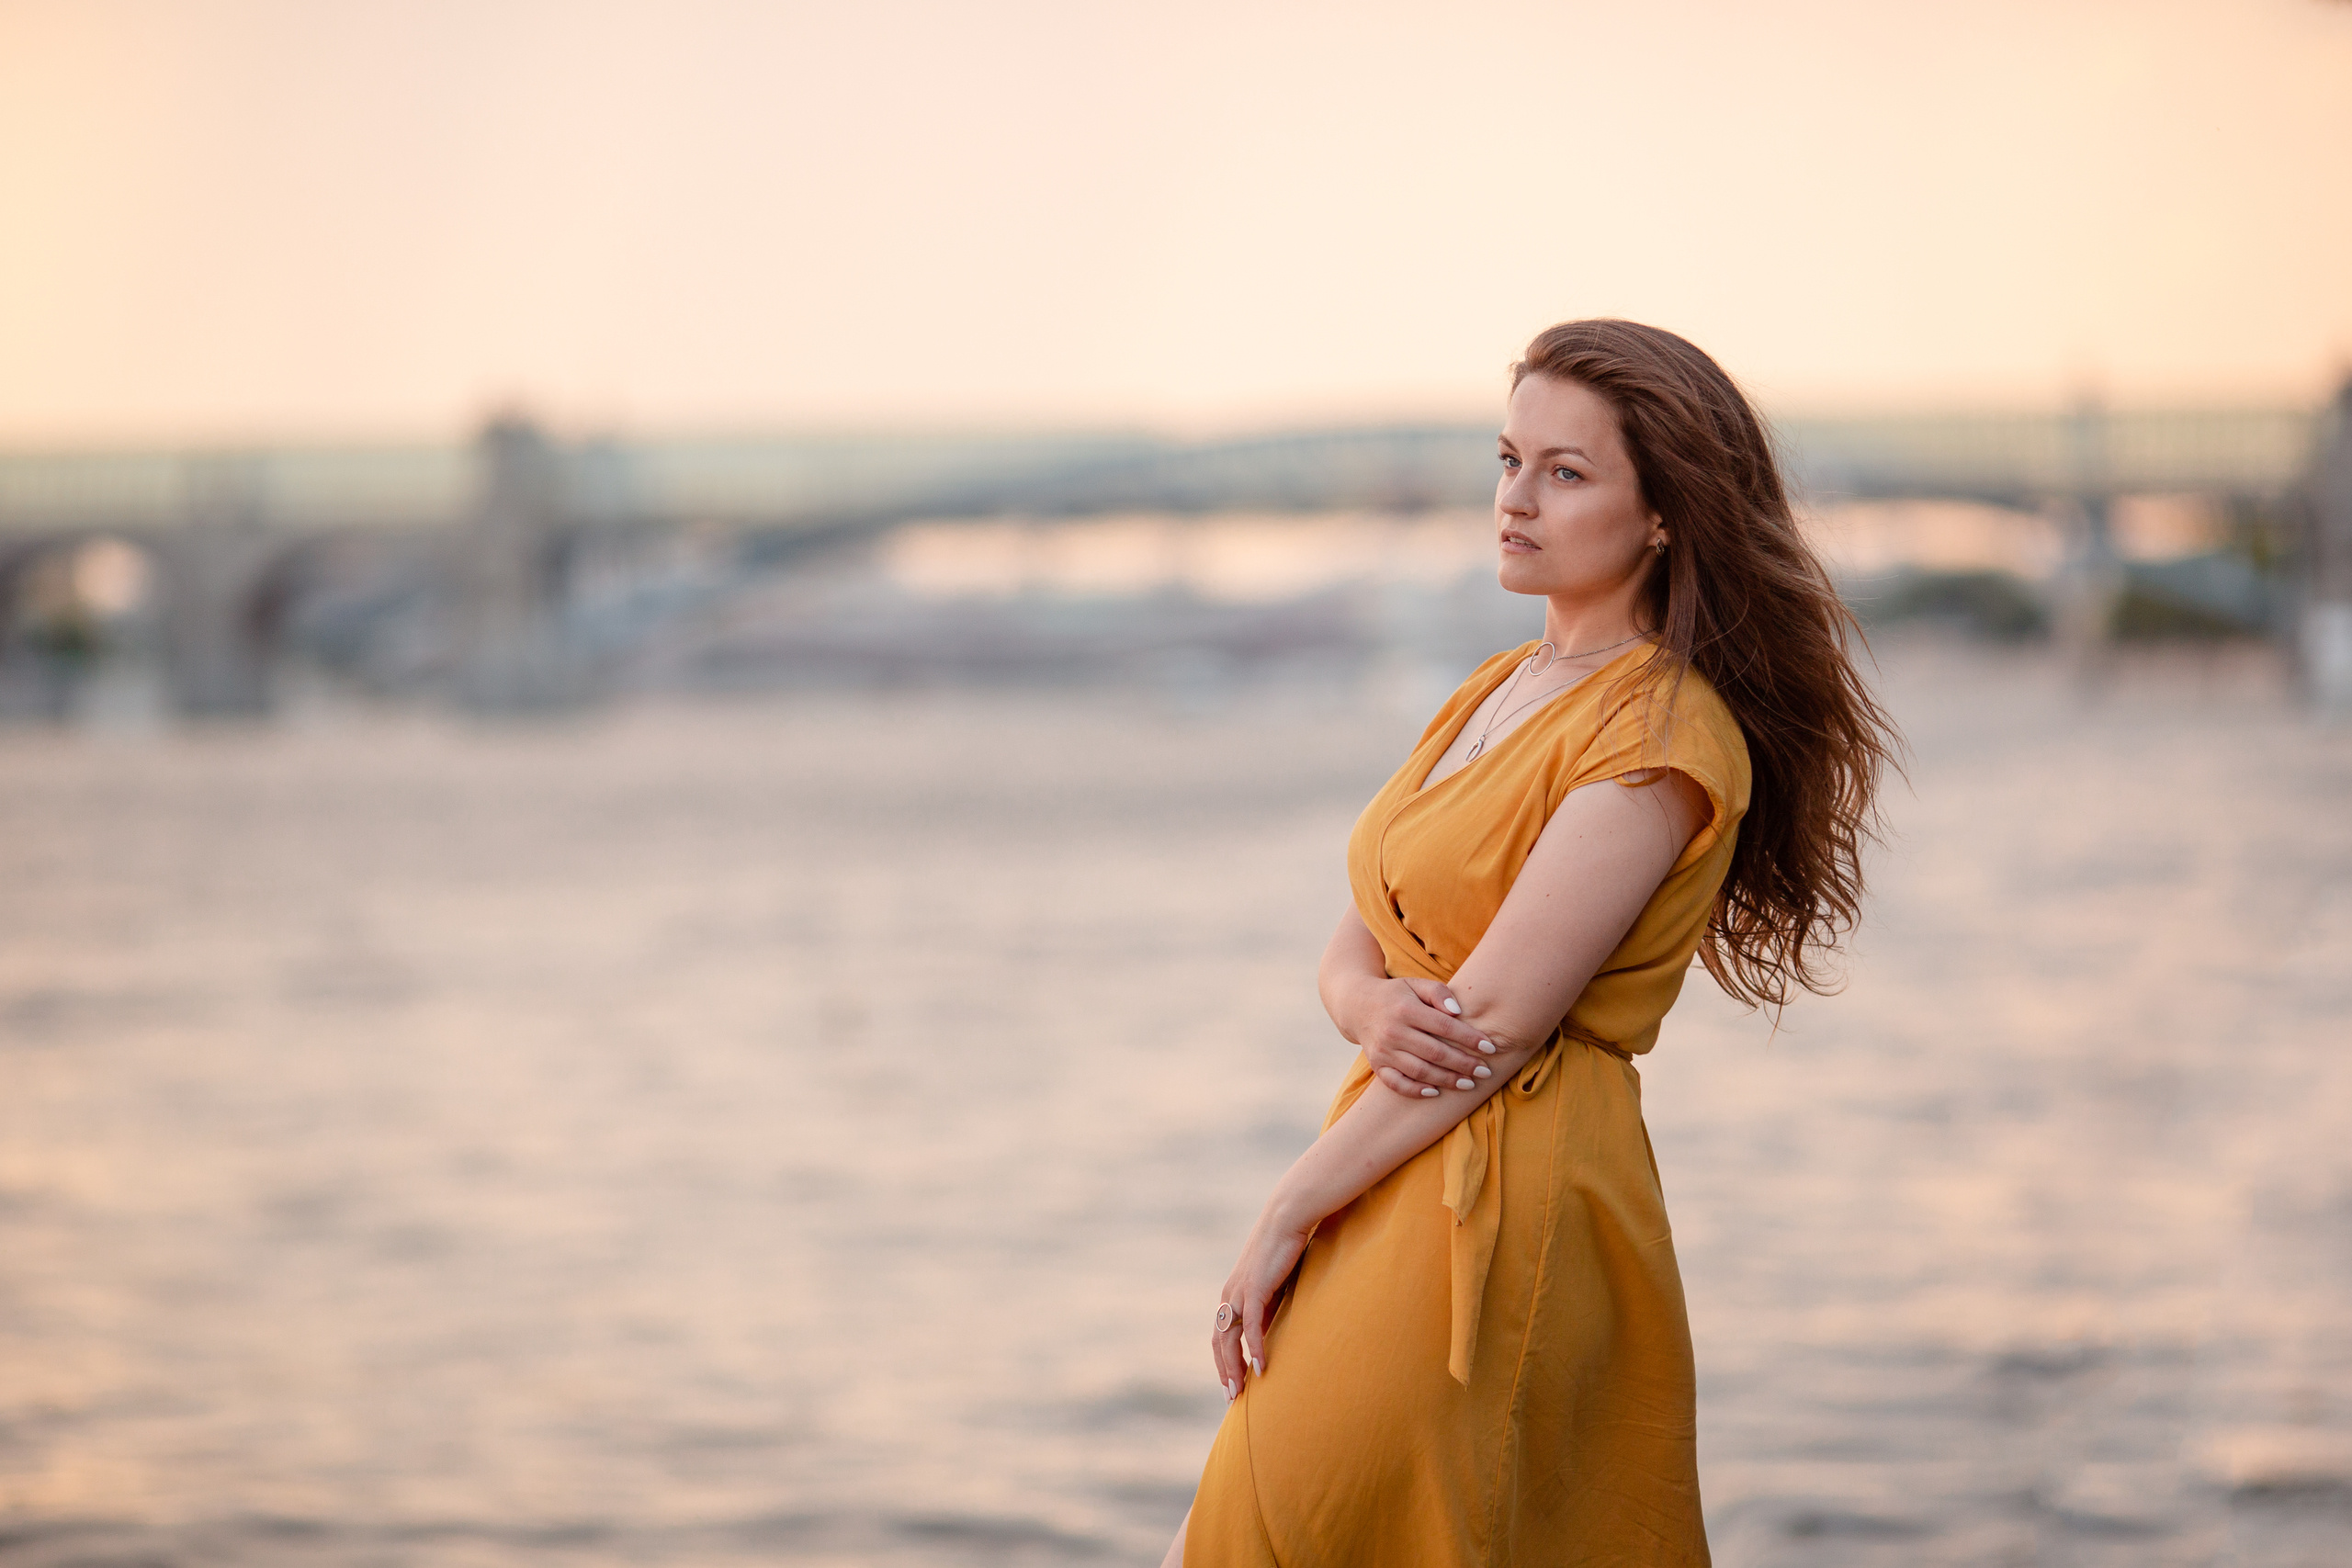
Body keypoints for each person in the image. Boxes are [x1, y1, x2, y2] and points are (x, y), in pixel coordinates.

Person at [1162, 320, 1899, 1566]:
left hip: (1503, 1194)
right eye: (1510, 461)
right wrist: (1364, 1008)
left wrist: (1285, 1208)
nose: (1515, 499)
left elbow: (1491, 1031)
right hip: (1384, 1160)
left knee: (1292, 1528)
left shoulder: (1658, 732)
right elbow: (1365, 932)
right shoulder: (1498, 686)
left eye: (1566, 472)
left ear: (1662, 515)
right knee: (1254, 1530)